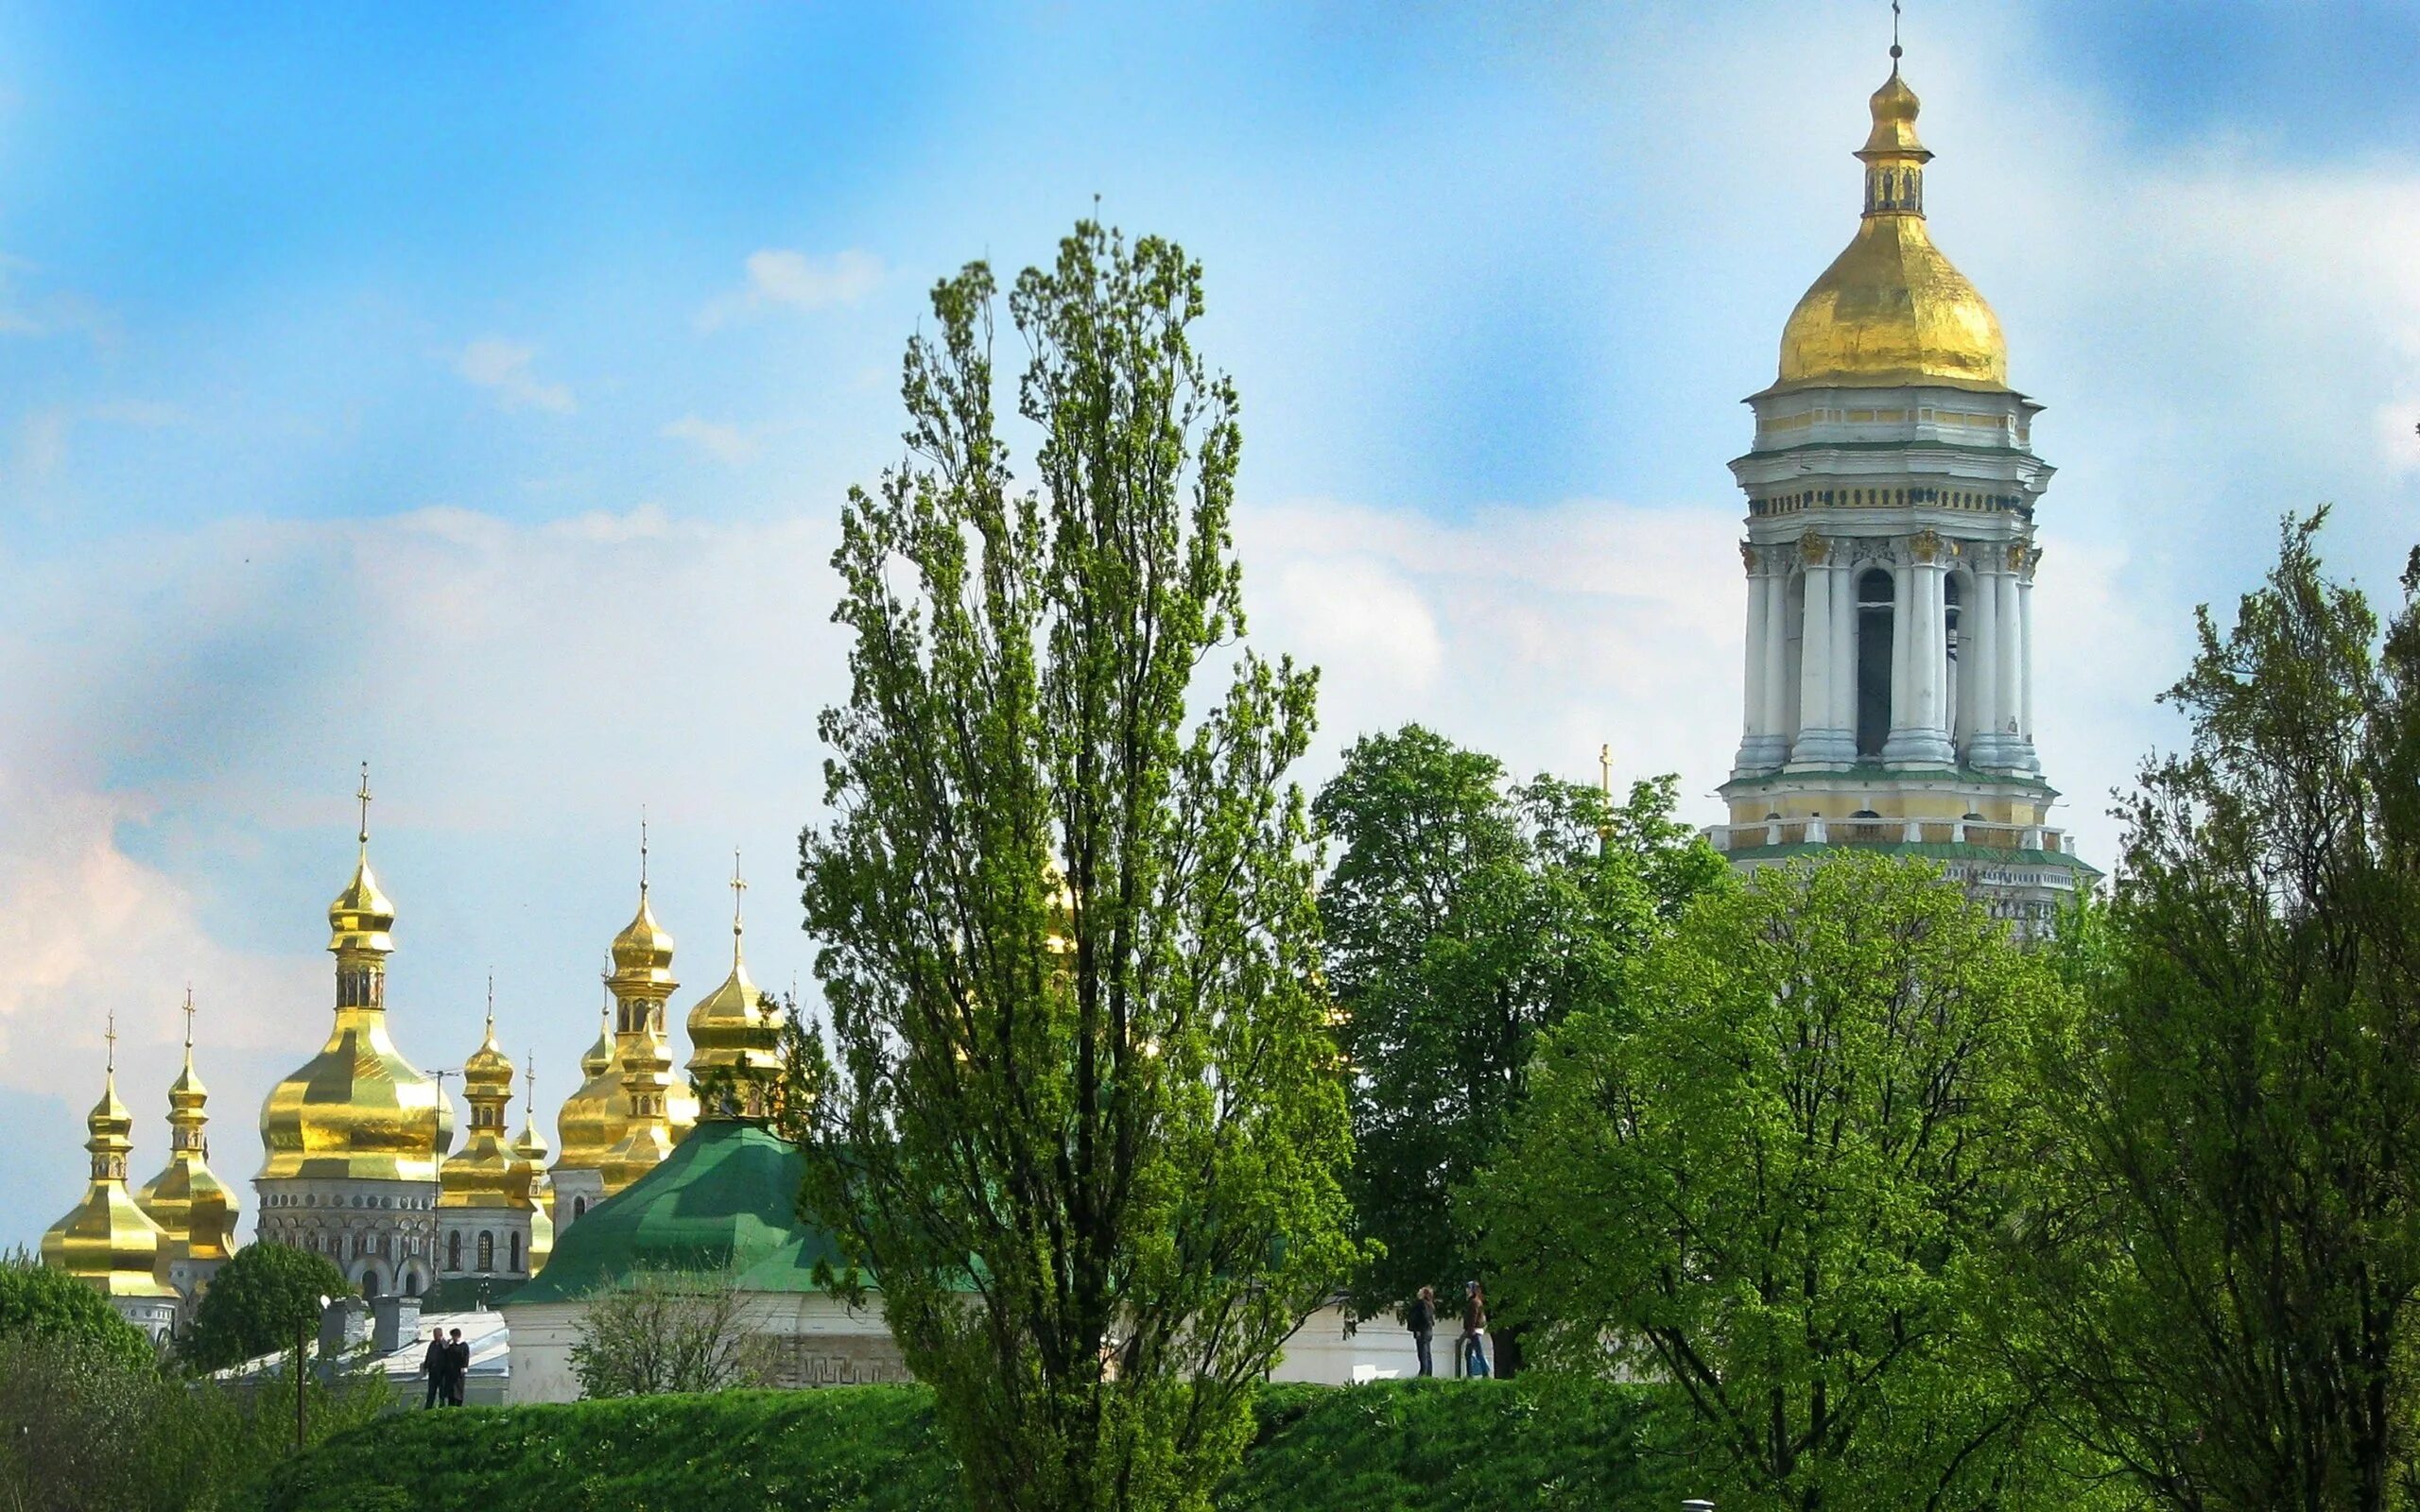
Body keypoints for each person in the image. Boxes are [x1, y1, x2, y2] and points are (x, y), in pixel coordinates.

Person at [1461, 1280, 1490, 1379]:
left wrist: (1470, 1332)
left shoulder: (1474, 1302)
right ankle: (1471, 1375)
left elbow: (1473, 1318)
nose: (1466, 1290)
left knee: (1478, 1353)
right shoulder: (1475, 1301)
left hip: (1474, 1331)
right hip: (1474, 1331)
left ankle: (1484, 1374)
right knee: (1469, 1353)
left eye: (1468, 1288)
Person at [1408, 1286, 1436, 1378]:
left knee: (1422, 1353)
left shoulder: (1421, 1303)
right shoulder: (1430, 1304)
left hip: (1422, 1331)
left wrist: (1418, 1329)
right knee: (1427, 1353)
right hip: (1428, 1330)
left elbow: (1422, 1317)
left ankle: (1423, 1373)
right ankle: (1428, 1373)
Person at [419, 1328, 447, 1409]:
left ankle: (442, 1408)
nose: (434, 1337)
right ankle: (428, 1408)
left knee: (442, 1392)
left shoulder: (444, 1344)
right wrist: (426, 1366)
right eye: (434, 1335)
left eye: (436, 1335)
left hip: (442, 1373)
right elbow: (429, 1356)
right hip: (433, 1372)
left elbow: (447, 1350)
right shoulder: (432, 1344)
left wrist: (442, 1341)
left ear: (440, 1335)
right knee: (431, 1392)